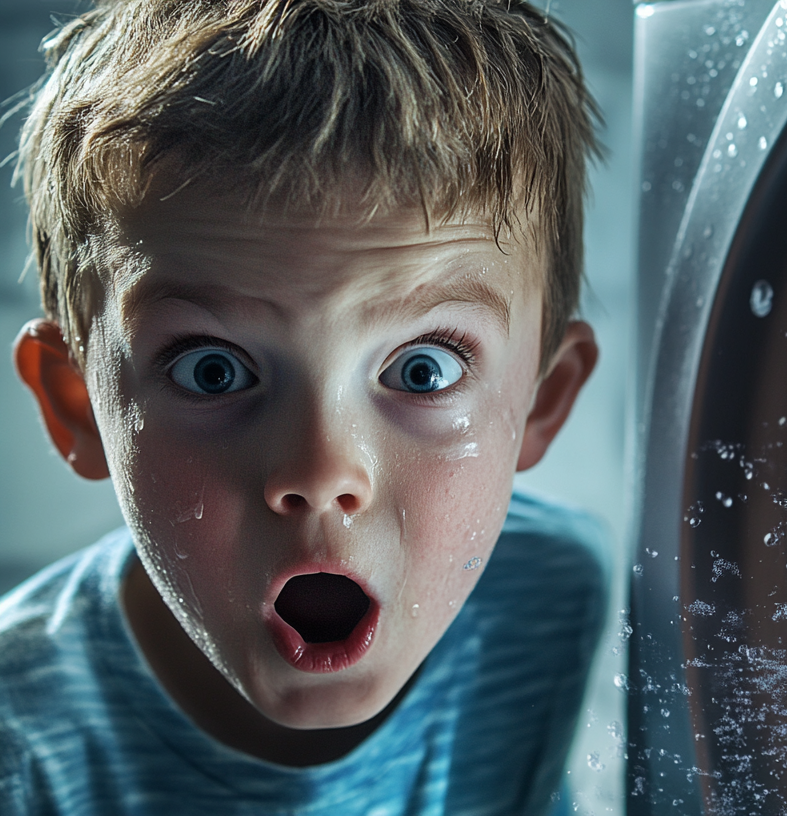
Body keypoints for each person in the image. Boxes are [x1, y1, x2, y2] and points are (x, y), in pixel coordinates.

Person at [1, 1, 609, 812]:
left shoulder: (562, 598)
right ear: (77, 404)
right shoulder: (20, 743)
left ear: (542, 399)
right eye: (213, 371)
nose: (322, 472)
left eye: (422, 370)